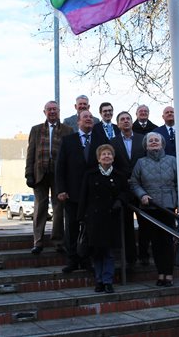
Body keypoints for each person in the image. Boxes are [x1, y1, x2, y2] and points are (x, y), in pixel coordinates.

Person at [56, 110, 108, 273]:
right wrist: (61, 189)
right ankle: (73, 260)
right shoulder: (68, 140)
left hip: (93, 193)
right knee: (71, 228)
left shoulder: (101, 140)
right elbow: (60, 167)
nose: (88, 119)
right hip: (72, 193)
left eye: (90, 118)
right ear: (78, 122)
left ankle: (86, 260)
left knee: (90, 228)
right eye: (85, 117)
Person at [78, 144, 129, 293]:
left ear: (113, 158)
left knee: (109, 252)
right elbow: (83, 196)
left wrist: (120, 200)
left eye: (109, 154)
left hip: (111, 218)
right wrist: (81, 217)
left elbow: (126, 191)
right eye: (103, 154)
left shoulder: (119, 175)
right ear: (98, 158)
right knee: (96, 251)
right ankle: (98, 280)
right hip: (93, 219)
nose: (106, 156)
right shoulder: (90, 174)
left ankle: (107, 281)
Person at [25, 100, 73, 254]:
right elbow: (30, 153)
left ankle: (58, 241)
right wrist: (28, 174)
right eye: (49, 109)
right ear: (44, 112)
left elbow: (70, 156)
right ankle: (38, 242)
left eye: (55, 109)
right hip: (40, 174)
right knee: (40, 208)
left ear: (59, 111)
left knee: (59, 209)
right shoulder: (36, 130)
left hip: (59, 175)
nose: (52, 112)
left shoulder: (68, 130)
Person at [130, 132, 177, 286]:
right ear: (146, 145)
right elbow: (134, 183)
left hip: (168, 207)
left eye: (157, 140)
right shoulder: (141, 163)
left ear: (162, 143)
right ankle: (161, 273)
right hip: (150, 208)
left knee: (167, 242)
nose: (154, 142)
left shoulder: (172, 161)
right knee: (156, 243)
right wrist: (142, 195)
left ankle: (169, 273)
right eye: (151, 141)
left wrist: (178, 202)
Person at [110, 111, 146, 266]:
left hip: (142, 186)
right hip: (123, 188)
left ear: (132, 122)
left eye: (128, 119)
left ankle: (144, 254)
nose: (125, 121)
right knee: (126, 224)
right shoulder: (113, 142)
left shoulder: (142, 139)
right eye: (122, 119)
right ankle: (129, 258)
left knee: (145, 222)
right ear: (118, 124)